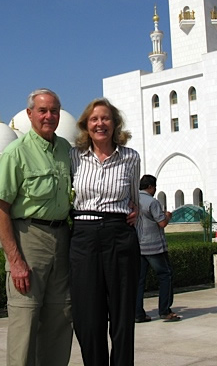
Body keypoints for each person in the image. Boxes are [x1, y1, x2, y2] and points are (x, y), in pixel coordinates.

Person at [0, 88, 73, 366]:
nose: (48, 116)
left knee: (60, 317)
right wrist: (15, 260)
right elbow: (0, 209)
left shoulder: (65, 150)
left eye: (53, 111)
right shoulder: (16, 152)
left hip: (62, 238)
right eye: (42, 110)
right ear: (29, 114)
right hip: (29, 239)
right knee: (25, 319)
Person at [69, 97, 141, 366]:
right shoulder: (74, 157)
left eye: (106, 118)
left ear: (115, 123)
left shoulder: (130, 158)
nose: (100, 124)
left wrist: (134, 216)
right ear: (86, 125)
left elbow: (134, 200)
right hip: (84, 234)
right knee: (87, 317)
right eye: (94, 119)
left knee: (122, 316)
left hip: (119, 234)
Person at [135, 174, 180, 322]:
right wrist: (167, 215)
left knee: (139, 280)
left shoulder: (134, 200)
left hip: (138, 245)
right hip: (153, 246)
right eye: (154, 187)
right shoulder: (152, 202)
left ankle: (138, 313)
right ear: (150, 187)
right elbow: (162, 223)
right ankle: (165, 310)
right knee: (165, 275)